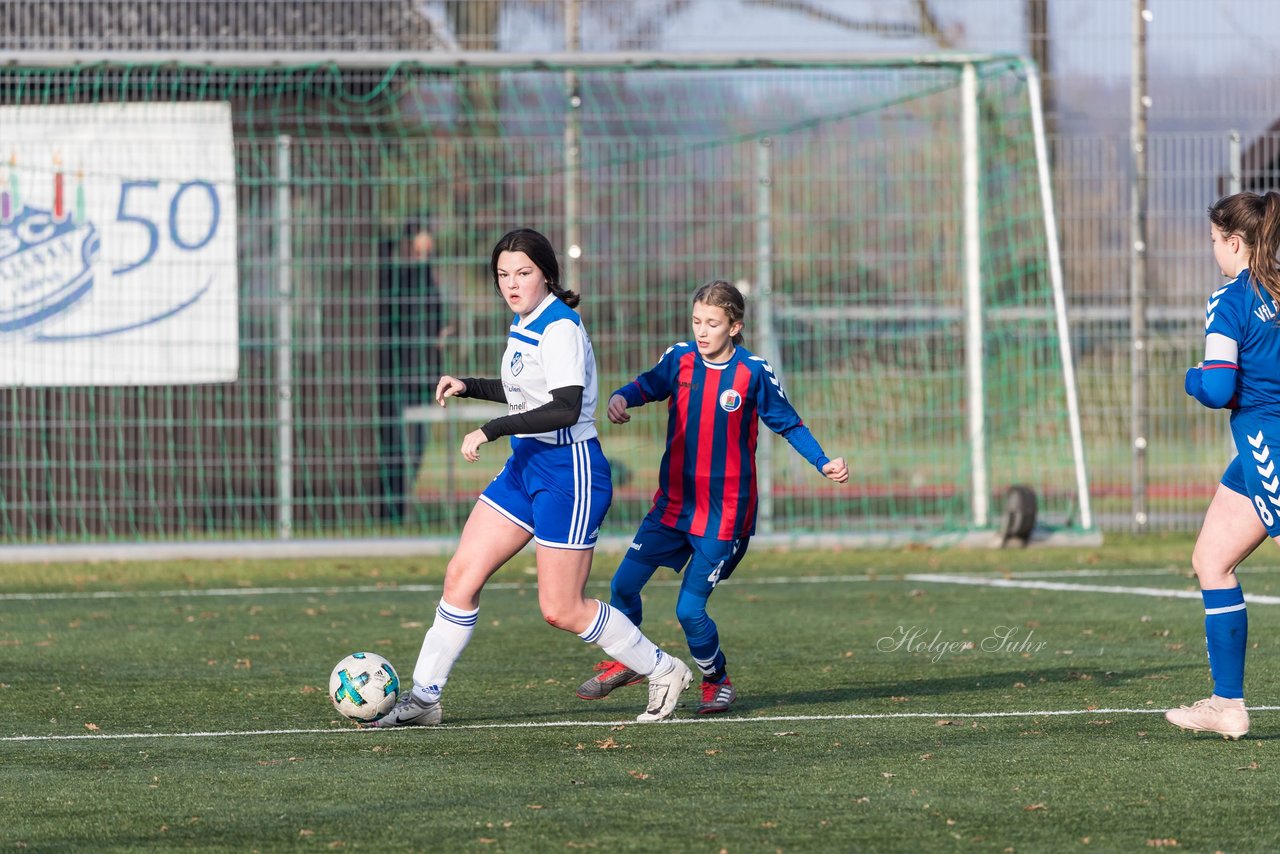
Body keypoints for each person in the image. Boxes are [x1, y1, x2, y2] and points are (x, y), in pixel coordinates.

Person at [372, 227, 693, 727]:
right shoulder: (527, 321)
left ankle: (663, 668)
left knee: (561, 608)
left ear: (547, 273)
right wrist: (469, 385)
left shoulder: (560, 326)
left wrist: (490, 429)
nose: (512, 283)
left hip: (570, 472)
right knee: (461, 575)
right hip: (526, 466)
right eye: (503, 274)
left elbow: (564, 407)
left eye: (523, 273)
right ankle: (425, 698)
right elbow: (526, 390)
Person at [574, 280, 849, 714]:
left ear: (734, 326)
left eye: (713, 323)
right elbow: (649, 383)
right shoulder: (680, 358)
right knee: (623, 584)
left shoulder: (752, 372)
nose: (702, 331)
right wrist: (621, 396)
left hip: (725, 514)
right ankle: (628, 660)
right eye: (697, 321)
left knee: (689, 610)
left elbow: (789, 423)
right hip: (673, 505)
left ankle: (716, 679)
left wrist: (822, 461)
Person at [1166, 190, 1280, 740]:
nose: (1213, 250)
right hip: (1257, 453)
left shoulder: (1230, 299)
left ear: (1234, 242)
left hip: (1269, 447)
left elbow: (1216, 386)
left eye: (1215, 241)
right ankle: (1226, 705)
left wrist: (1189, 378)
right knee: (1211, 557)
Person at [376, 218, 446, 521]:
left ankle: (399, 505)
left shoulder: (425, 277)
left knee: (416, 443)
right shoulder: (395, 277)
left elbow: (435, 319)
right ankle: (391, 507)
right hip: (395, 371)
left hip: (423, 373)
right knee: (393, 443)